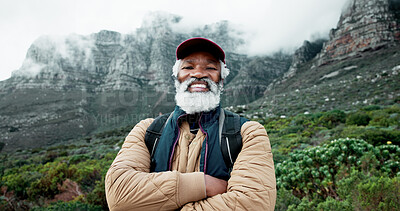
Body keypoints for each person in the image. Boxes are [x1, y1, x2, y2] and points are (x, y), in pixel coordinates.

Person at [105, 37, 276, 210]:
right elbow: (118, 196)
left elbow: (253, 203)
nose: (198, 74)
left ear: (221, 81)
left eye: (210, 68)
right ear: (176, 78)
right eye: (188, 67)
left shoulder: (248, 133)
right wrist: (205, 184)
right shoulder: (147, 130)